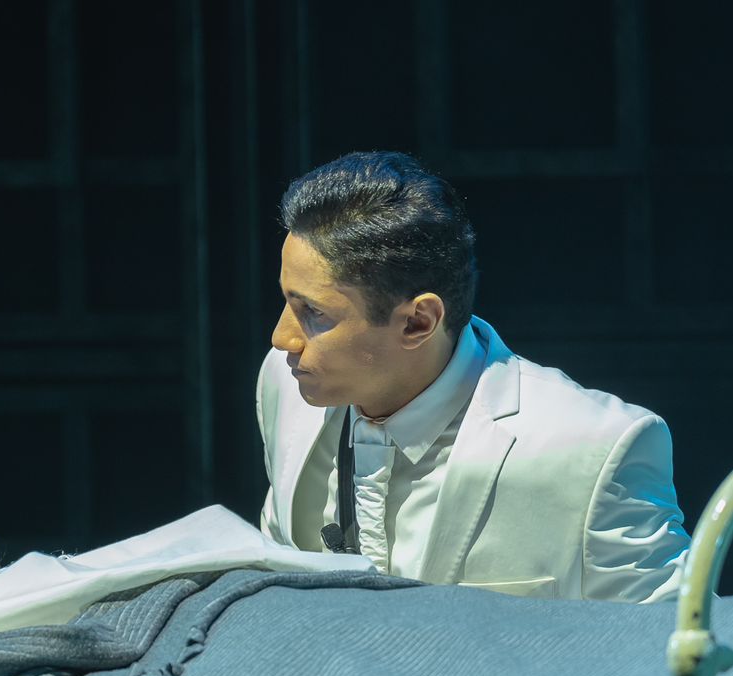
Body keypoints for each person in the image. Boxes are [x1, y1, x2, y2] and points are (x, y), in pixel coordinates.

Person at [258, 150, 690, 604]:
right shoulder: (284, 386)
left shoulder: (594, 448)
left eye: (314, 313)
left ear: (418, 323)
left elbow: (669, 641)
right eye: (287, 300)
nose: (281, 338)